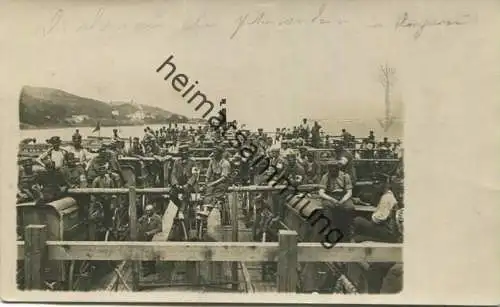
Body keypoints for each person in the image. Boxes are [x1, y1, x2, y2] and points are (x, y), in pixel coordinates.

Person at [318, 160, 355, 241]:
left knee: (350, 207)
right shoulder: (325, 177)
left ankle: (350, 231)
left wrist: (342, 200)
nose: (333, 170)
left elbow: (349, 192)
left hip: (343, 196)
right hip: (330, 196)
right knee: (326, 206)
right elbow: (321, 192)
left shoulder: (345, 176)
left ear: (338, 168)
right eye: (331, 168)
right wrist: (332, 199)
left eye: (335, 167)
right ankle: (327, 230)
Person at [170, 144, 198, 214]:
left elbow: (195, 175)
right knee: (172, 193)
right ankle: (180, 205)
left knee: (186, 192)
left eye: (186, 153)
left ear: (188, 153)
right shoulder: (176, 162)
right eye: (182, 153)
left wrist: (188, 184)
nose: (184, 154)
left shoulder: (192, 162)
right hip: (179, 183)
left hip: (190, 184)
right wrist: (175, 184)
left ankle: (182, 210)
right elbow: (173, 174)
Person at [138, 204, 162, 275]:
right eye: (147, 211)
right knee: (144, 254)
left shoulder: (157, 218)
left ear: (152, 210)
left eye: (149, 211)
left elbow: (160, 228)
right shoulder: (144, 217)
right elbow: (138, 222)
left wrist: (150, 233)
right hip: (144, 238)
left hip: (153, 238)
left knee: (152, 254)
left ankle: (152, 269)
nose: (148, 212)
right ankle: (146, 269)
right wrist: (140, 220)